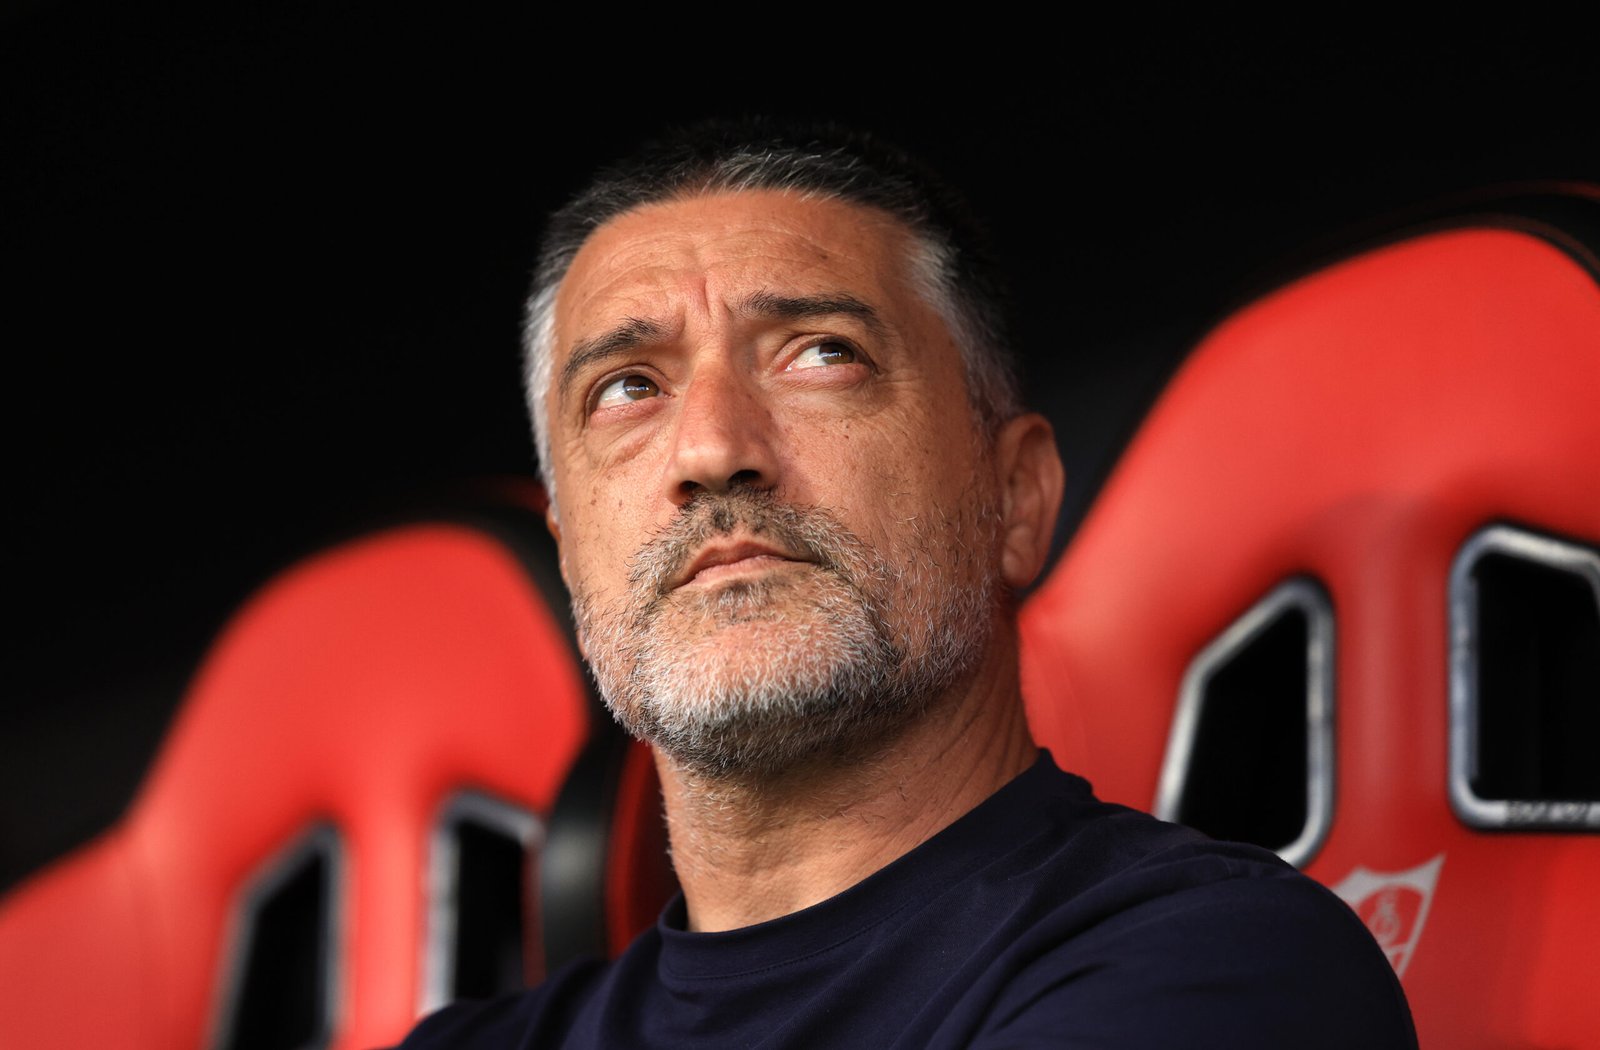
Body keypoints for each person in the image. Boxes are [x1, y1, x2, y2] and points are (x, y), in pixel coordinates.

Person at [397, 119, 1416, 1048]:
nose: (710, 448)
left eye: (819, 355)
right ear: (571, 549)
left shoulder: (1217, 968)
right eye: (629, 388)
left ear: (1015, 496)